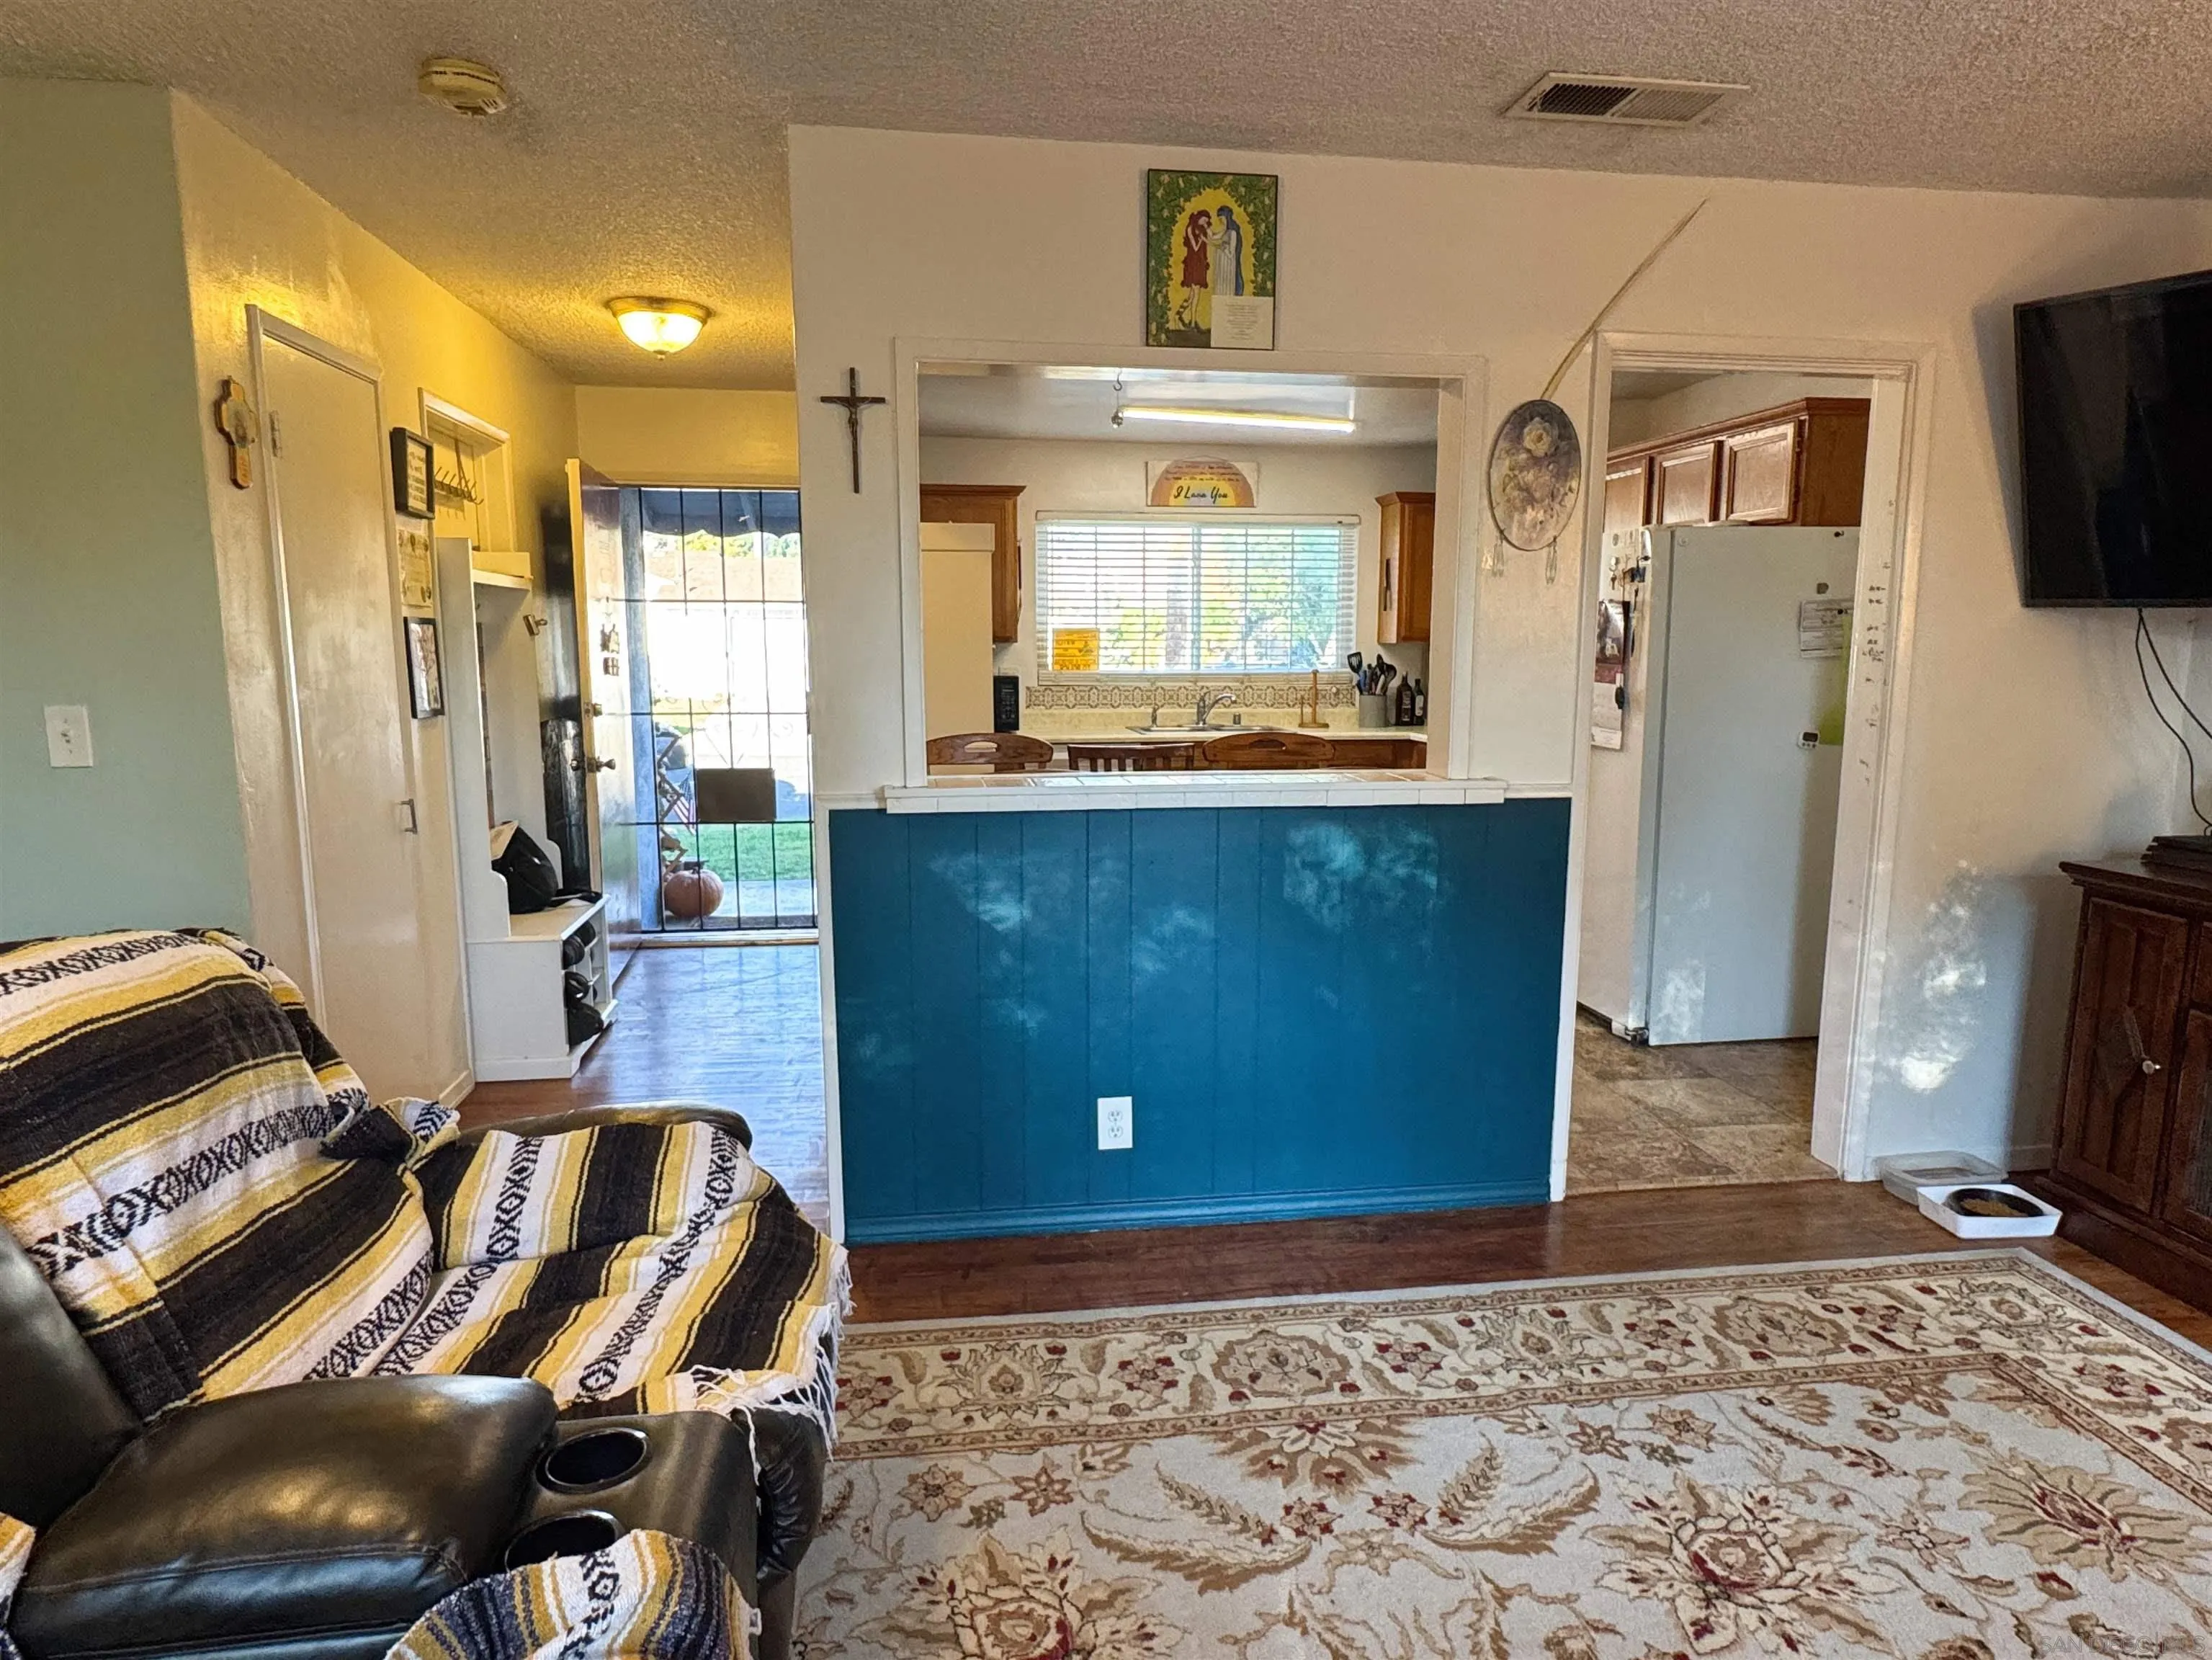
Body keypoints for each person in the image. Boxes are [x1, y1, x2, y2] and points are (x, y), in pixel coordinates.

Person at [1177, 208, 1211, 329]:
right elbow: (1195, 248)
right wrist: (1201, 240)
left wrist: (1207, 229)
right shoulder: (1190, 228)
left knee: (1192, 295)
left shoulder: (1202, 229)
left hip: (1200, 264)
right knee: (1196, 293)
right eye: (1204, 220)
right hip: (1193, 263)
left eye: (1207, 221)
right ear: (1199, 218)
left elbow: (1210, 240)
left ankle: (1179, 315)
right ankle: (1193, 322)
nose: (1205, 222)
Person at [1214, 205, 1245, 296]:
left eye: (1222, 219)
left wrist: (1222, 246)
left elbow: (1231, 253)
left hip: (1228, 265)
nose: (1220, 222)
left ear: (1227, 218)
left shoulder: (1232, 232)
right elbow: (1214, 237)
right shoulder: (1226, 231)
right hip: (1223, 265)